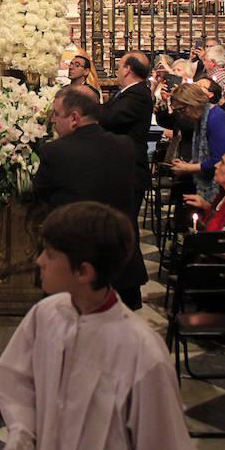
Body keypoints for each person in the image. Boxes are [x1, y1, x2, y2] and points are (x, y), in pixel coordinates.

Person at [0, 202, 202, 450]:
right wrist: (19, 447)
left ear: (84, 272)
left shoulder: (141, 352)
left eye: (49, 254)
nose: (39, 261)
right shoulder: (46, 315)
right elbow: (17, 381)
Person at [34, 86, 147, 309]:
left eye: (56, 114)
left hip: (74, 267)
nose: (53, 120)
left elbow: (40, 191)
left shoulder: (55, 151)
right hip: (119, 261)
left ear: (75, 118)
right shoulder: (125, 146)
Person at [100, 51, 153, 214]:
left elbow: (111, 117)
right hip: (121, 169)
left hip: (129, 171)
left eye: (119, 66)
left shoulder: (137, 94)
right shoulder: (127, 93)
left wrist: (85, 108)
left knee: (125, 224)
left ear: (127, 70)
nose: (117, 71)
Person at [170, 82, 225, 202]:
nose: (182, 115)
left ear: (193, 103)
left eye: (182, 109)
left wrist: (188, 168)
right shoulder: (203, 117)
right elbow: (203, 153)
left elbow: (219, 160)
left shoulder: (215, 119)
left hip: (221, 185)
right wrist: (187, 164)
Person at [184, 149, 225, 231]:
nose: (216, 165)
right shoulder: (223, 194)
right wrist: (206, 206)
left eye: (222, 163)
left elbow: (215, 233)